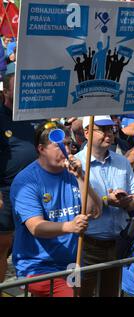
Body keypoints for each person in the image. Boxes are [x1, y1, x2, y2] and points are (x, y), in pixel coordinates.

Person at [10, 122, 102, 297]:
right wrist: (70, 227)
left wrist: (81, 177)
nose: (66, 149)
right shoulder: (27, 181)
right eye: (59, 145)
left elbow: (94, 212)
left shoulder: (74, 173)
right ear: (41, 149)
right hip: (38, 266)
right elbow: (35, 227)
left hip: (72, 263)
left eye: (68, 144)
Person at [76, 116, 134, 297]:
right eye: (102, 130)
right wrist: (106, 200)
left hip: (117, 243)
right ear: (87, 132)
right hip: (87, 244)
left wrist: (125, 201)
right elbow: (78, 206)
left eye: (110, 129)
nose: (108, 134)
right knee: (82, 293)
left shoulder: (122, 162)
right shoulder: (76, 164)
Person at [0, 70, 37, 286]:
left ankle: (32, 287)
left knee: (33, 238)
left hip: (33, 189)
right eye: (17, 86)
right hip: (5, 190)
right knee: (3, 244)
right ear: (6, 91)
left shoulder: (33, 114)